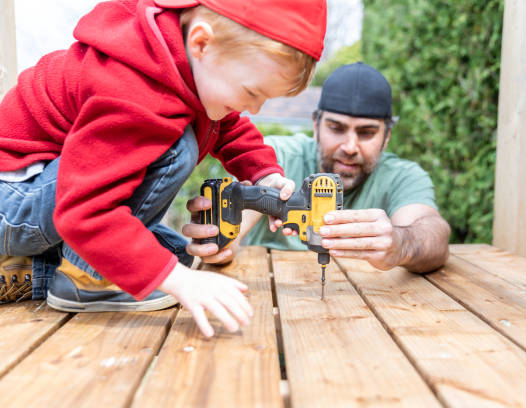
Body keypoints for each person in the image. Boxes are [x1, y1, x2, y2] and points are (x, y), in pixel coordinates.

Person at [0, 0, 327, 338]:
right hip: (13, 199)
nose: (255, 108)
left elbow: (227, 126)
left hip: (42, 199)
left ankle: (33, 270)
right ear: (201, 42)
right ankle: (89, 279)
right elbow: (84, 211)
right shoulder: (133, 90)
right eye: (251, 92)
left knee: (173, 254)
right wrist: (181, 282)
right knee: (177, 150)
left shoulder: (185, 65)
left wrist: (264, 174)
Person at [184, 62, 451, 273]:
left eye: (367, 132)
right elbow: (236, 223)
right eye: (336, 128)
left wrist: (400, 245)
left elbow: (434, 235)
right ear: (316, 125)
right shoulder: (273, 159)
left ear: (387, 137)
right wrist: (220, 243)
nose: (349, 146)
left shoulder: (403, 177)